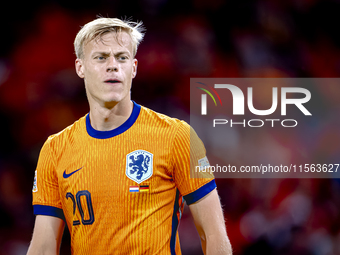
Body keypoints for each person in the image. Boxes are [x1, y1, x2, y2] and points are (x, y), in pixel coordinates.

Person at [26, 17, 232, 255]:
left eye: (121, 57)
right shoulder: (55, 149)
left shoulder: (176, 136)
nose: (113, 66)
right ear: (80, 67)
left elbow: (213, 234)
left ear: (133, 68)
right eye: (101, 57)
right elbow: (43, 247)